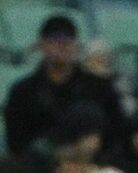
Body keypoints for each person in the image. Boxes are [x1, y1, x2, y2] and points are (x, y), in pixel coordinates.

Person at [4, 15, 127, 158]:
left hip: (94, 165)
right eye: (55, 41)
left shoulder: (100, 87)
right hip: (40, 167)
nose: (62, 47)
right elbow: (16, 143)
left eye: (67, 41)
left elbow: (117, 131)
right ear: (41, 45)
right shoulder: (23, 92)